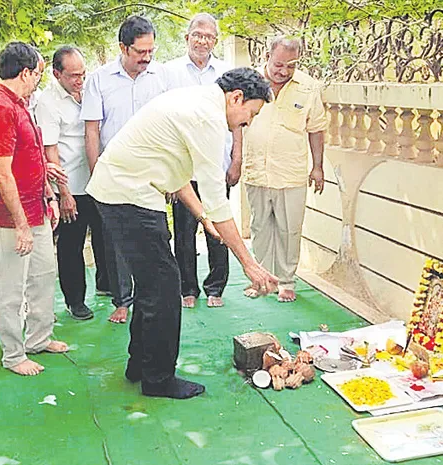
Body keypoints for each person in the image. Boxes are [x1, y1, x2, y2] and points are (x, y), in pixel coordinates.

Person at [87, 68, 279, 399]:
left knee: (153, 285)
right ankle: (158, 380)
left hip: (123, 192)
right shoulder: (208, 117)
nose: (248, 123)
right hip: (128, 196)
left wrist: (202, 217)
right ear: (236, 98)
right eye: (251, 113)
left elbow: (178, 174)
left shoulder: (195, 100)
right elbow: (217, 196)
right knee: (164, 287)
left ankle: (140, 367)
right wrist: (250, 264)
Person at [0, 42, 69, 377]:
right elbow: (1, 171)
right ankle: (13, 354)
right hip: (10, 218)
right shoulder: (0, 107)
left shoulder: (20, 105)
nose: (38, 82)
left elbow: (29, 159)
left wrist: (48, 193)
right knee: (10, 287)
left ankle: (39, 337)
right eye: (38, 75)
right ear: (26, 72)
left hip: (36, 209)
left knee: (44, 275)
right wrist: (20, 225)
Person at [81, 15, 173, 324]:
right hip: (114, 172)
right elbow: (92, 131)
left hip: (152, 171)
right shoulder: (99, 79)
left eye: (151, 51)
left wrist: (171, 173)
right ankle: (122, 300)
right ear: (123, 47)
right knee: (116, 238)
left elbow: (170, 127)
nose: (146, 58)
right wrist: (96, 177)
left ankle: (154, 293)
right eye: (140, 52)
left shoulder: (161, 77)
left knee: (156, 232)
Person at [242, 37, 327, 303]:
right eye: (278, 64)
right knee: (260, 228)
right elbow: (234, 124)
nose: (283, 71)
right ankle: (261, 280)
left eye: (290, 66)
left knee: (289, 230)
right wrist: (234, 160)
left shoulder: (309, 87)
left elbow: (316, 129)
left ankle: (287, 281)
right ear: (267, 55)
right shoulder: (249, 81)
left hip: (291, 173)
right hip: (256, 169)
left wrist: (318, 167)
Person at [165, 13, 240, 309]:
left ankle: (216, 287)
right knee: (183, 232)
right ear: (187, 37)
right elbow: (165, 120)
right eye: (197, 34)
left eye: (208, 36)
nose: (202, 41)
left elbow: (237, 121)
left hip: (217, 165)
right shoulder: (169, 72)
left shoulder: (226, 73)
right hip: (183, 168)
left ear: (215, 41)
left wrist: (237, 158)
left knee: (218, 226)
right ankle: (188, 289)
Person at [35, 46, 106, 320]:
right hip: (69, 185)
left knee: (104, 235)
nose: (80, 80)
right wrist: (63, 193)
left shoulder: (89, 91)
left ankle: (107, 285)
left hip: (95, 179)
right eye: (74, 75)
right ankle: (75, 300)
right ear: (57, 74)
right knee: (71, 245)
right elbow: (50, 150)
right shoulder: (48, 103)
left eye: (83, 73)